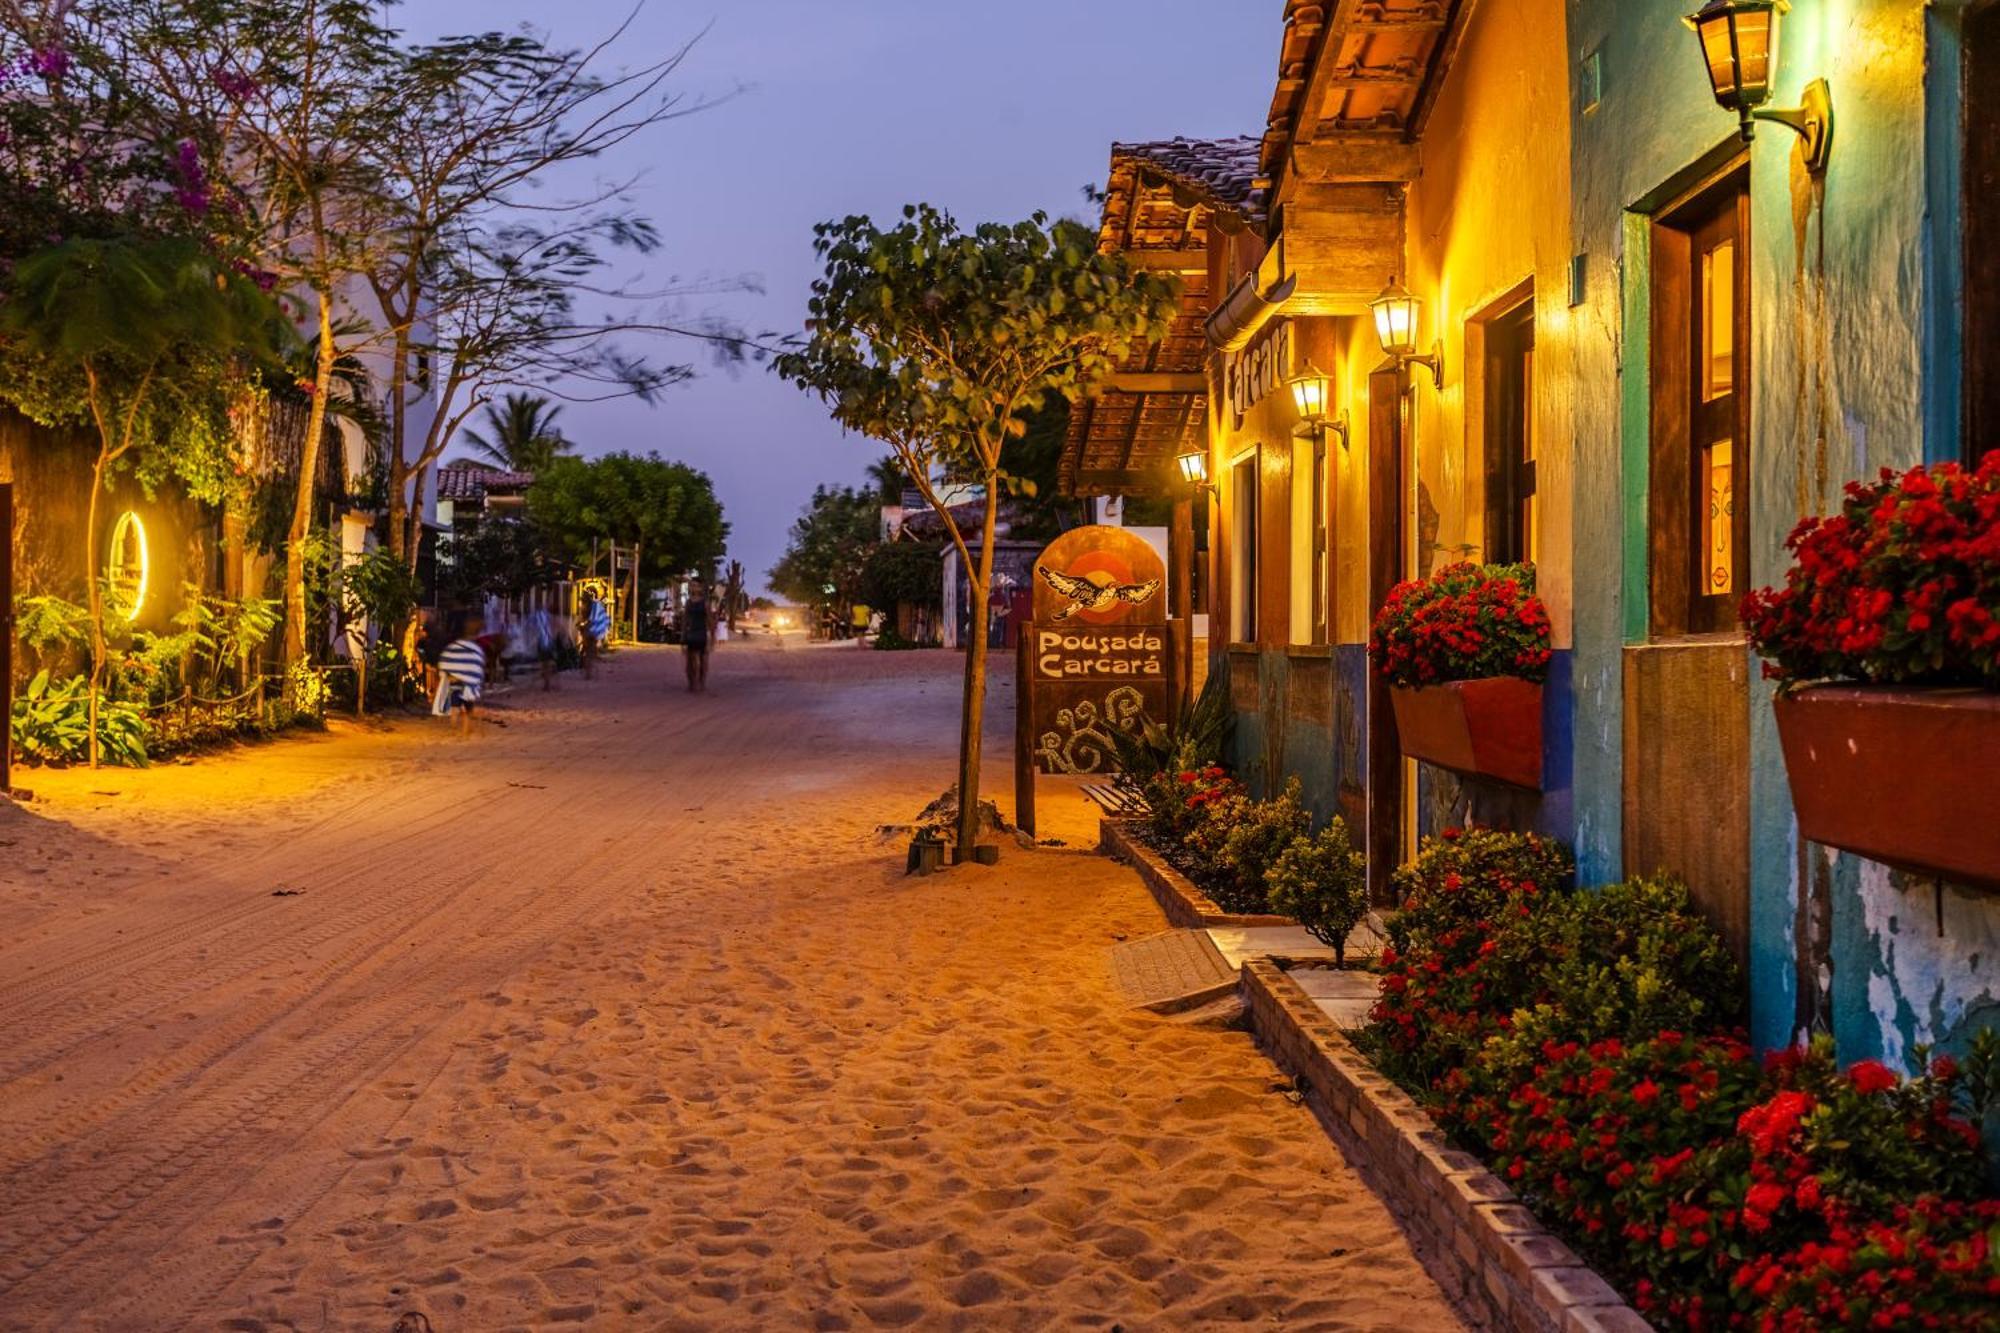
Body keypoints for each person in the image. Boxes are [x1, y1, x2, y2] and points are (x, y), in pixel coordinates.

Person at [435, 611, 488, 736]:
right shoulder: (475, 650)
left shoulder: (452, 648)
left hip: (454, 684)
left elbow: (444, 664)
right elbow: (477, 668)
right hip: (468, 686)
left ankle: (454, 728)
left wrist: (448, 676)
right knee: (468, 709)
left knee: (455, 708)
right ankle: (466, 729)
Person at [682, 577, 716, 693]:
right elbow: (685, 620)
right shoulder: (688, 602)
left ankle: (702, 682)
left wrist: (713, 636)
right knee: (690, 662)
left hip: (702, 633)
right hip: (691, 633)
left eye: (696, 585)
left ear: (701, 588)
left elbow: (710, 620)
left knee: (703, 660)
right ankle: (691, 683)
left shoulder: (705, 603)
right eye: (692, 585)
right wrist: (683, 637)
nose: (693, 587)